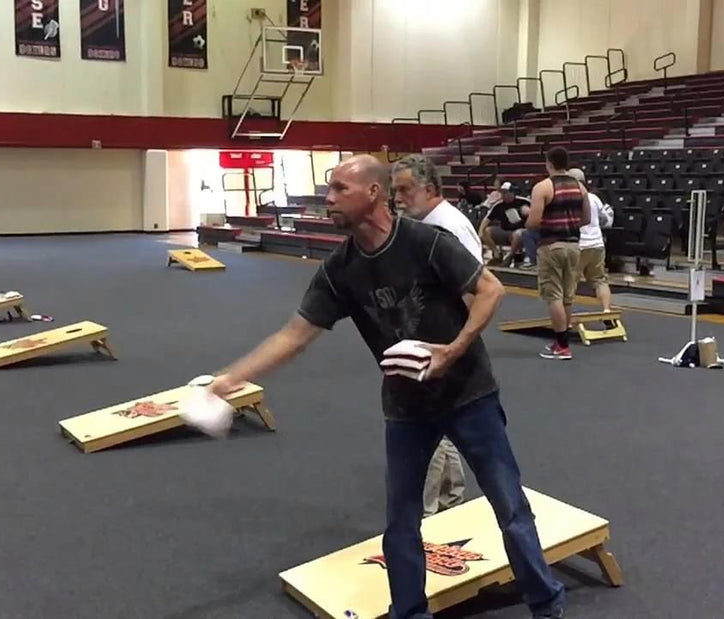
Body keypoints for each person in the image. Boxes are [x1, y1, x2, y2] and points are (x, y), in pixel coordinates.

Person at [209, 155, 566, 619]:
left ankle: (546, 602)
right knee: (401, 522)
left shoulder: (424, 242)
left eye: (340, 189)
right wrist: (233, 377)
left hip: (468, 394)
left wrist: (453, 350)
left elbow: (491, 289)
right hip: (406, 407)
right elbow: (293, 335)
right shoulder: (340, 269)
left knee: (509, 506)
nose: (329, 199)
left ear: (374, 193)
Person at [391, 154, 483, 518]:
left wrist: (458, 346)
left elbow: (477, 291)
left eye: (405, 190)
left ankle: (427, 514)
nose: (398, 198)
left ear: (429, 189)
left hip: (447, 343)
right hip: (429, 339)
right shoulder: (424, 224)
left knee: (426, 425)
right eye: (395, 190)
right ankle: (450, 497)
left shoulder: (448, 227)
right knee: (441, 422)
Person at [527, 148, 590, 360]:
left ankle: (562, 346)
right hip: (574, 245)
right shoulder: (580, 187)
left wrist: (529, 219)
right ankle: (562, 342)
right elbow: (587, 219)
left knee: (553, 295)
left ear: (549, 163)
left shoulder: (543, 187)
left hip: (551, 245)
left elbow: (533, 222)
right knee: (567, 296)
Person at [569, 168, 613, 315]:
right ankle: (606, 310)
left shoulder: (570, 199)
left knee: (570, 281)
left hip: (579, 245)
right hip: (597, 244)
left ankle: (567, 315)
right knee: (600, 280)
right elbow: (605, 219)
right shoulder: (594, 197)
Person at [478, 182, 530, 265]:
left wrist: (528, 212)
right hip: (504, 230)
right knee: (485, 231)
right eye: (502, 193)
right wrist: (480, 232)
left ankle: (510, 257)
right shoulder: (498, 205)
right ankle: (496, 254)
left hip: (520, 231)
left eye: (505, 192)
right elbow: (486, 220)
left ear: (512, 192)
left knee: (517, 234)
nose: (503, 195)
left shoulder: (523, 202)